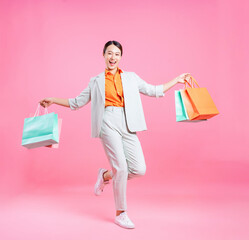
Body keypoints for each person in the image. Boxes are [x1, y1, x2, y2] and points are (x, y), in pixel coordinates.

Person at [39, 40, 190, 229]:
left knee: (138, 169)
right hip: (107, 122)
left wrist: (176, 80)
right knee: (122, 167)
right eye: (109, 53)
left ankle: (104, 176)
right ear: (103, 55)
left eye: (117, 54)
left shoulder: (131, 77)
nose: (113, 57)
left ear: (121, 57)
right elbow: (76, 102)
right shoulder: (95, 81)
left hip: (128, 123)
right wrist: (53, 100)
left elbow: (153, 90)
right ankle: (121, 213)